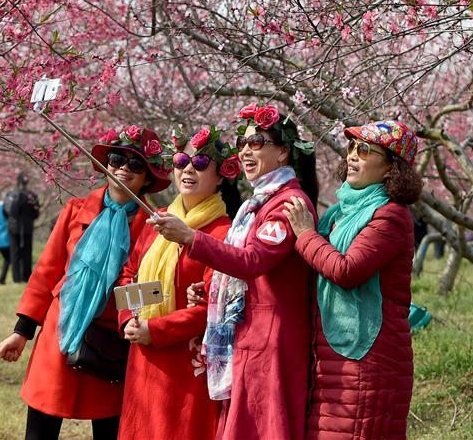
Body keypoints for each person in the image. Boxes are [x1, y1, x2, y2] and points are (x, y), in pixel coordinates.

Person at [152, 103, 318, 440]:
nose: (245, 150)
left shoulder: (282, 205)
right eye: (242, 143)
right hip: (241, 334)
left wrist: (190, 239)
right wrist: (213, 288)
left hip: (265, 339)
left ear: (283, 152)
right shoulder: (256, 203)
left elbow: (253, 260)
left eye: (256, 142)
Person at [0, 125, 171, 440]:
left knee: (109, 428)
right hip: (60, 332)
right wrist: (22, 332)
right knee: (40, 428)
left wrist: (123, 310)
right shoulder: (75, 210)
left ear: (147, 177)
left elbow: (155, 288)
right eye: (117, 159)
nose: (123, 169)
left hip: (111, 339)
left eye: (135, 165)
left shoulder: (155, 224)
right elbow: (47, 272)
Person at [282, 120, 423, 440]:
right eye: (350, 148)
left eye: (364, 149)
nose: (352, 156)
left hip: (369, 355)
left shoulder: (391, 216)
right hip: (331, 353)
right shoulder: (339, 213)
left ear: (391, 168)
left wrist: (305, 234)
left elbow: (347, 271)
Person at [116, 127, 241, 440]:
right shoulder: (155, 217)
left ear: (221, 176)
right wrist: (130, 319)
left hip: (187, 361)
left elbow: (217, 307)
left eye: (200, 163)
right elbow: (129, 273)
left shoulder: (223, 234)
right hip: (143, 352)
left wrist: (156, 330)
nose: (188, 168)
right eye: (182, 160)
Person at [4, 173, 41, 283]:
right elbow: (36, 213)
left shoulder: (10, 194)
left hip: (13, 227)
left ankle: (16, 279)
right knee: (27, 252)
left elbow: (6, 211)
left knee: (14, 252)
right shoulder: (32, 196)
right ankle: (26, 277)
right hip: (27, 228)